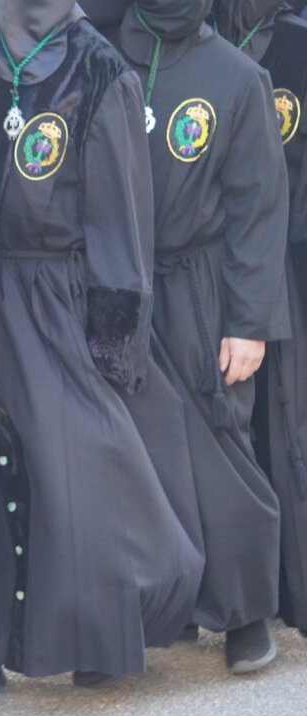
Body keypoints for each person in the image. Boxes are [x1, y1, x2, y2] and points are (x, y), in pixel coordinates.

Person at [0, 0, 203, 687]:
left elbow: (121, 213)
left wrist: (115, 333)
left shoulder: (98, 71)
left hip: (50, 291)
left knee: (78, 462)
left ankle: (105, 631)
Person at [115, 0, 288, 673]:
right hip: (123, 286)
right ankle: (172, 605)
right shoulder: (104, 60)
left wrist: (249, 324)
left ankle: (246, 614)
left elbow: (258, 211)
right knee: (139, 452)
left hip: (201, 285)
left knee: (221, 445)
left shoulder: (237, 77)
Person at [215, 0, 307, 643]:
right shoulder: (195, 37)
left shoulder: (296, 46)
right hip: (208, 258)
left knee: (287, 425)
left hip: (294, 255)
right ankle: (241, 593)